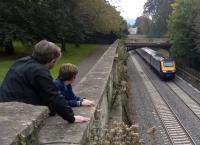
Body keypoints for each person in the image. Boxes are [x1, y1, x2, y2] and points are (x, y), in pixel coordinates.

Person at [0, 40, 89, 123]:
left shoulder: (21, 61)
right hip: (16, 112)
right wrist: (71, 117)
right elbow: (53, 95)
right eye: (55, 61)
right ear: (52, 60)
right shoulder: (40, 71)